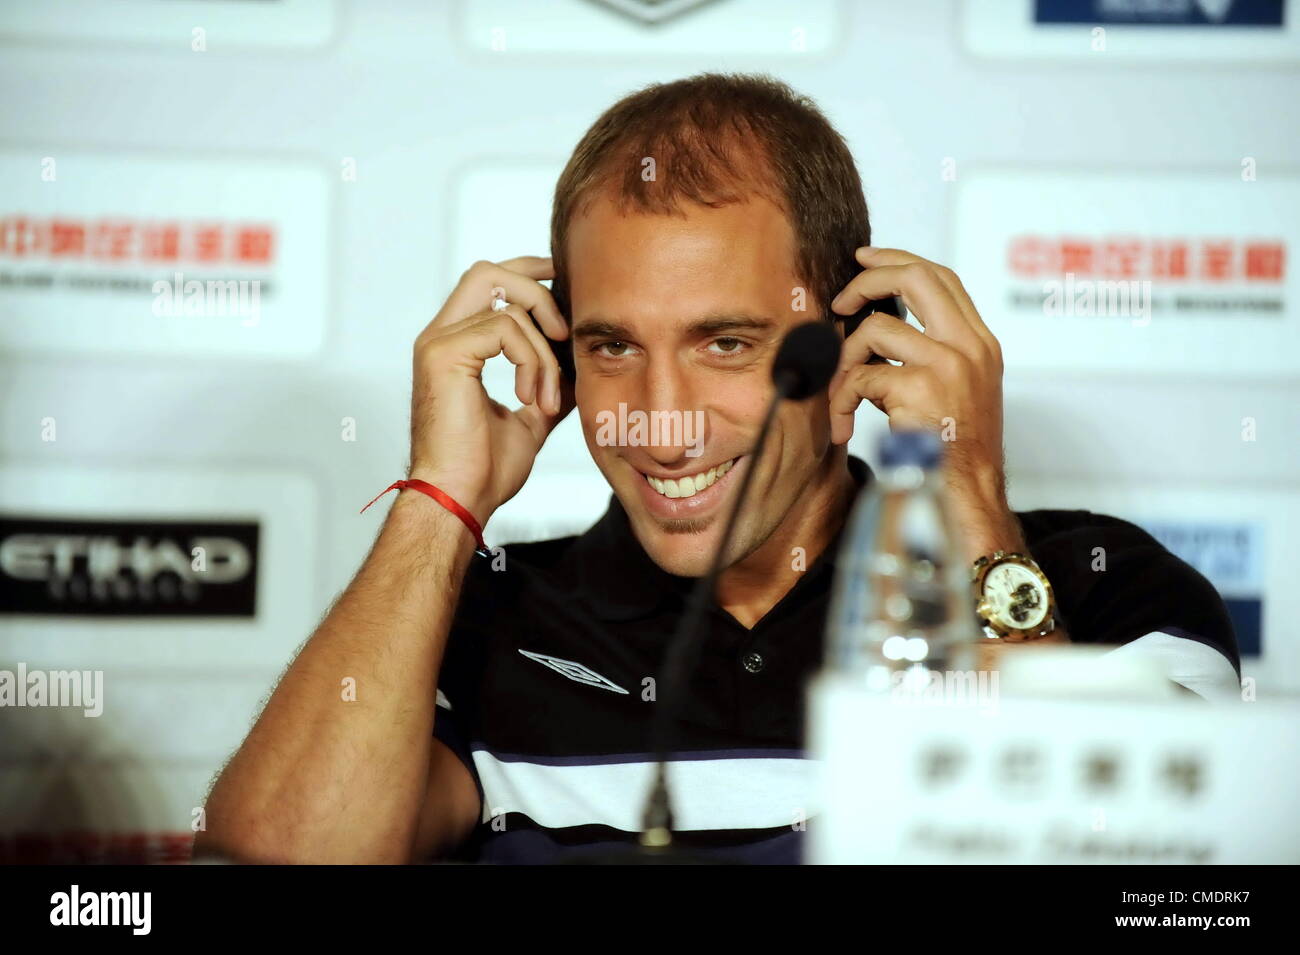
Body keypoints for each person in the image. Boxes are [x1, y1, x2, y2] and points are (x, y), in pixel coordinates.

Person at [194, 73, 1240, 865]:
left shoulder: (1099, 585)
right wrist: (441, 497)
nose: (659, 421)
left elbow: (1165, 880)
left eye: (726, 344)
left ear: (855, 342)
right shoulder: (479, 615)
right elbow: (270, 856)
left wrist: (965, 497)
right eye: (610, 346)